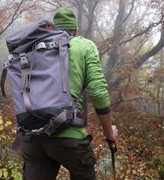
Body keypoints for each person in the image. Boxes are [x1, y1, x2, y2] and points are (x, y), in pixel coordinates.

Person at [20, 7, 119, 180]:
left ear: (53, 28)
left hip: (33, 136)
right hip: (69, 138)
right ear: (75, 30)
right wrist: (109, 133)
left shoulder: (34, 48)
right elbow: (98, 92)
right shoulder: (84, 46)